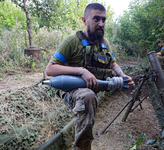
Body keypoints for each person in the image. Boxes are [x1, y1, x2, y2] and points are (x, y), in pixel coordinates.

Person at [45, 3, 134, 150]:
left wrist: (123, 76)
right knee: (88, 97)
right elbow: (50, 69)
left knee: (90, 95)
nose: (101, 23)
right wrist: (81, 71)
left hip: (95, 88)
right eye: (96, 19)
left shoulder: (104, 44)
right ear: (85, 20)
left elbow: (113, 64)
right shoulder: (71, 41)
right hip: (71, 89)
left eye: (104, 20)